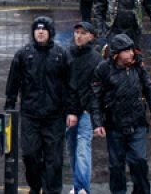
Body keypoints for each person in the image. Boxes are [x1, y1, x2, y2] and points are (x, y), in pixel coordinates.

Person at [5, 17, 70, 194]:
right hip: (30, 115)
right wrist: (10, 105)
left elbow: (68, 84)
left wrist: (70, 110)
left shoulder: (61, 55)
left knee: (54, 159)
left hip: (54, 116)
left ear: (50, 32)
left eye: (44, 29)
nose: (40, 32)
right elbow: (13, 82)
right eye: (37, 29)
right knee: (30, 155)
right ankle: (35, 186)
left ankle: (52, 190)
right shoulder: (23, 54)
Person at [90, 35, 151, 194]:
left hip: (137, 123)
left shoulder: (138, 66)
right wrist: (97, 123)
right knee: (116, 166)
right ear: (116, 54)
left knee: (139, 161)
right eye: (126, 51)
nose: (131, 53)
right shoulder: (103, 69)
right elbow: (95, 98)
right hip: (114, 125)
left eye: (131, 50)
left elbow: (150, 90)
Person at [65, 21, 103, 194]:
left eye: (83, 33)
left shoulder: (96, 59)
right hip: (70, 110)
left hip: (86, 110)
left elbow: (97, 88)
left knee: (82, 148)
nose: (78, 36)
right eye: (77, 32)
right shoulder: (68, 54)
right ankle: (78, 185)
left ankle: (82, 188)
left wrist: (88, 110)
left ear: (91, 36)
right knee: (73, 148)